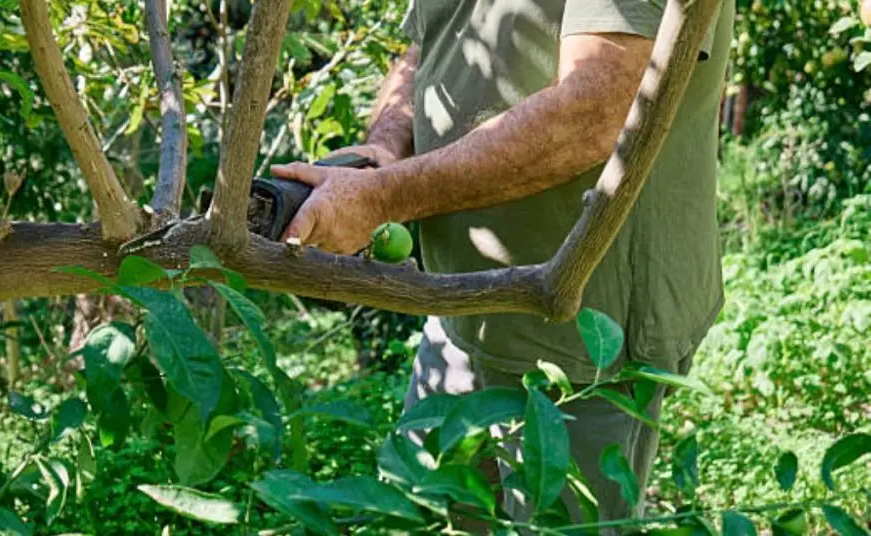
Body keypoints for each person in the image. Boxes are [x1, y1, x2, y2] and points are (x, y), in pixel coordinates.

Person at [270, 0, 735, 529]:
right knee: (430, 511)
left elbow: (596, 111)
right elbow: (427, 44)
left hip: (584, 336)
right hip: (460, 308)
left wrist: (382, 199)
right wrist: (385, 149)